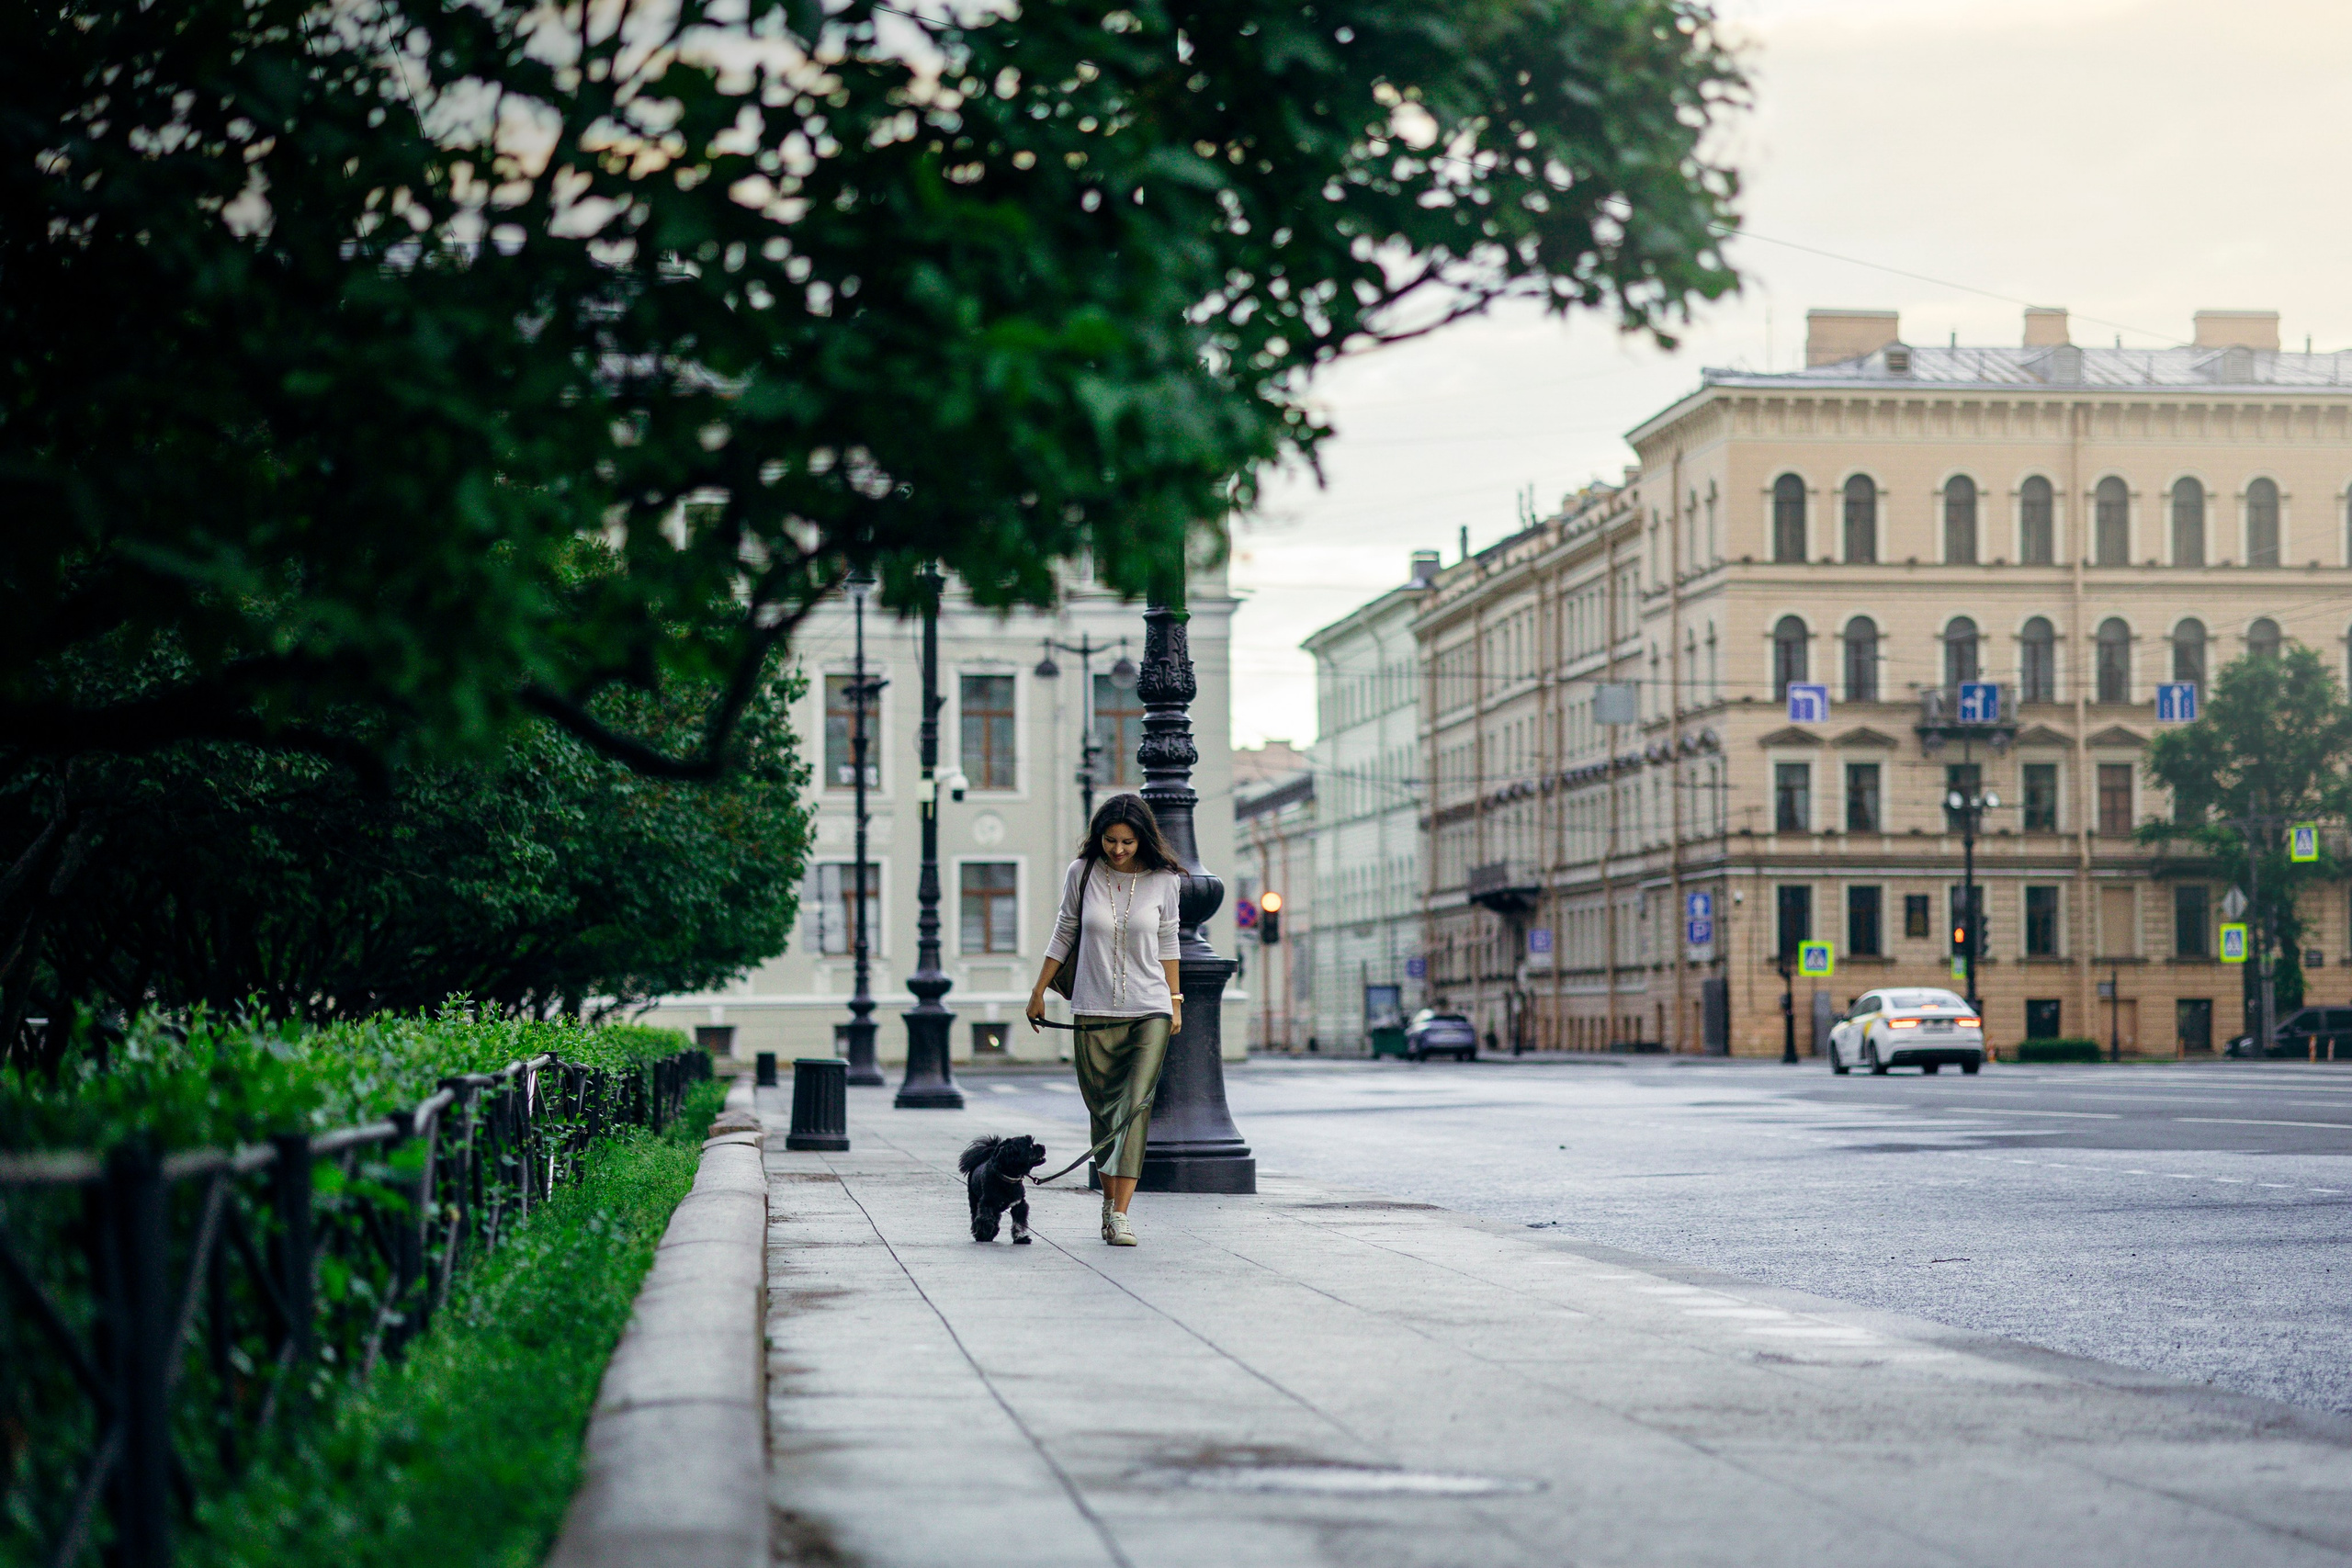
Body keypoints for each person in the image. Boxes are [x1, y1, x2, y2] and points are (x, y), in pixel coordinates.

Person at [1026, 794, 1183, 1246]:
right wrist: (1038, 991)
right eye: (1111, 841)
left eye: (1128, 842)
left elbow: (1169, 941)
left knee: (1135, 1106)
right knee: (1102, 1111)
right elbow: (1065, 930)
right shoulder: (1083, 873)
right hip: (1092, 1007)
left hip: (1149, 1008)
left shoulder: (1164, 880)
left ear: (1143, 840)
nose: (1118, 850)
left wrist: (1174, 1001)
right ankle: (1108, 1200)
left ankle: (1120, 1214)